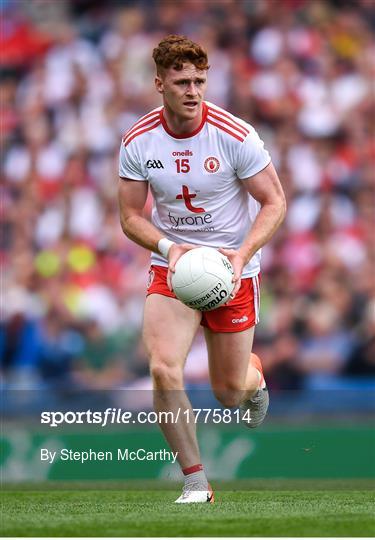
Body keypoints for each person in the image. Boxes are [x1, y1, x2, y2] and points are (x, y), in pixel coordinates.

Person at [118, 35, 286, 503]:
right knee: (163, 368)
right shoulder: (138, 140)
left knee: (229, 393)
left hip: (232, 267)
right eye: (182, 81)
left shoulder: (235, 135)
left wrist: (242, 252)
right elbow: (130, 216)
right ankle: (195, 481)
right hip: (173, 265)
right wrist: (169, 248)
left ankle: (253, 375)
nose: (193, 90)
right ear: (159, 84)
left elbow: (274, 201)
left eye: (199, 81)